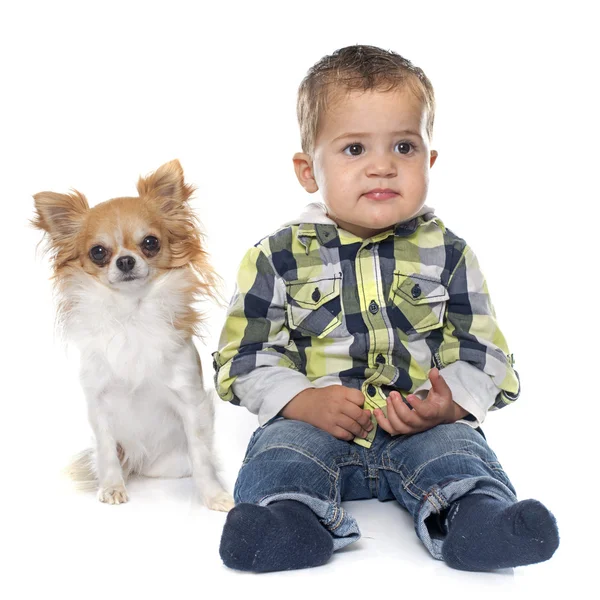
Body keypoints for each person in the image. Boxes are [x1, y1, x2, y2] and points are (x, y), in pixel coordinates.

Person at [213, 44, 559, 573]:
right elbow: (242, 357)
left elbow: (485, 353)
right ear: (309, 170)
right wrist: (302, 401)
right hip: (318, 427)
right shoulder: (276, 256)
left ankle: (477, 523)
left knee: (456, 452)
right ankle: (288, 525)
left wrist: (449, 405)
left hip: (416, 428)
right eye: (354, 150)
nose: (382, 167)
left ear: (430, 160)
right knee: (282, 454)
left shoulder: (449, 253)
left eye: (403, 146)